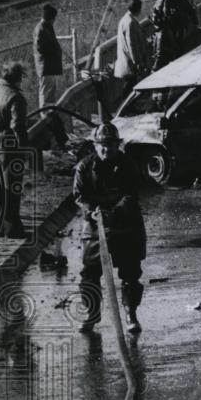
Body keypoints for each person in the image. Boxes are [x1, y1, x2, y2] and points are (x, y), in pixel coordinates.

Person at [73, 122, 146, 333]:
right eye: (102, 145)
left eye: (111, 145)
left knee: (131, 273)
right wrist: (93, 212)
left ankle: (130, 314)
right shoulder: (84, 168)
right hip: (95, 227)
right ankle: (91, 313)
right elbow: (79, 197)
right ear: (95, 146)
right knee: (89, 272)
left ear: (117, 146)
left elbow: (131, 195)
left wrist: (112, 213)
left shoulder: (128, 165)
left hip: (125, 224)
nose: (107, 149)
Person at [0, 62, 29, 238]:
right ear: (17, 79)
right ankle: (12, 231)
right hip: (11, 151)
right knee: (13, 190)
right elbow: (18, 127)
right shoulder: (15, 97)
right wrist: (24, 151)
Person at [151, 0, 198, 70]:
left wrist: (195, 21)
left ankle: (179, 63)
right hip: (167, 27)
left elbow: (190, 10)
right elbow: (156, 11)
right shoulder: (163, 0)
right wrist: (157, 21)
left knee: (179, 45)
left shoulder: (181, 0)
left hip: (179, 26)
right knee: (167, 47)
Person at [113, 0, 149, 99]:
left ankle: (128, 107)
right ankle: (127, 108)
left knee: (129, 84)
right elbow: (132, 44)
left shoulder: (124, 19)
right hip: (130, 61)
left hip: (125, 59)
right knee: (130, 85)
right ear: (137, 9)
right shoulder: (131, 22)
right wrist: (137, 62)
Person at [33, 3, 63, 109]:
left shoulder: (45, 27)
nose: (54, 21)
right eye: (53, 18)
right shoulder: (41, 28)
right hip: (45, 66)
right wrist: (54, 51)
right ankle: (44, 115)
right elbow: (40, 48)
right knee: (45, 92)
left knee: (50, 90)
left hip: (49, 66)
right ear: (50, 18)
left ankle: (50, 112)